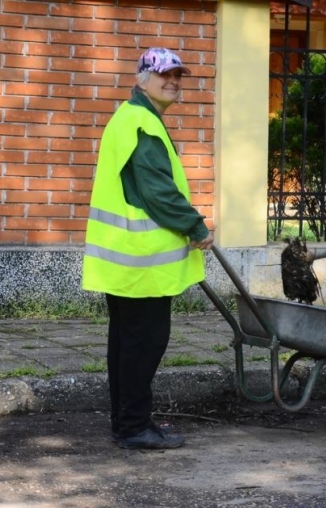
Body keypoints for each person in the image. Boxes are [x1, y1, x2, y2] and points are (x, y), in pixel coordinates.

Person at [81, 47, 213, 450]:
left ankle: (127, 423)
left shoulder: (129, 117)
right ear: (143, 78)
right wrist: (194, 225)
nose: (173, 82)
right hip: (144, 263)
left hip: (126, 260)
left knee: (125, 343)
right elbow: (158, 191)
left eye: (178, 76)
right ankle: (134, 426)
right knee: (144, 343)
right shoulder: (143, 124)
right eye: (164, 75)